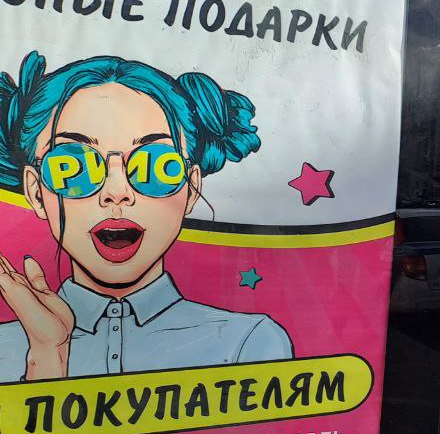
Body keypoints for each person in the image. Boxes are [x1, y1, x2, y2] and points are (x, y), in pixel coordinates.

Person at [0, 51, 292, 381]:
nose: (116, 191)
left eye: (155, 165)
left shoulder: (247, 343)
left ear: (191, 189)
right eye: (74, 166)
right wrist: (47, 356)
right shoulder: (7, 350)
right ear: (37, 191)